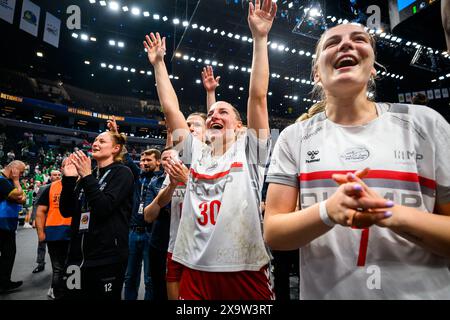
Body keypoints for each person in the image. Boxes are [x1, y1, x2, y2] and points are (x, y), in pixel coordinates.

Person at [264, 22, 450, 299]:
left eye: (359, 39)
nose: (346, 44)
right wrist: (328, 211)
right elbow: (274, 233)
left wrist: (389, 213)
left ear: (373, 67)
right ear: (316, 73)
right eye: (331, 43)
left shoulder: (427, 124)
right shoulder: (295, 137)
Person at [143, 0, 277, 299]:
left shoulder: (250, 151)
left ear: (240, 126)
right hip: (196, 267)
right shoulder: (196, 154)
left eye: (224, 112)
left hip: (245, 269)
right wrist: (159, 64)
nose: (214, 115)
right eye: (211, 112)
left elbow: (257, 97)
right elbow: (170, 109)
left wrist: (259, 38)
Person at [59, 130, 134, 300]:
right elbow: (67, 210)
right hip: (76, 259)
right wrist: (69, 180)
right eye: (95, 140)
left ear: (116, 148)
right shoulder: (89, 174)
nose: (95, 143)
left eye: (102, 141)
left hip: (106, 259)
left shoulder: (122, 173)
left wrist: (86, 176)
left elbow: (103, 208)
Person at [123, 147, 162, 300]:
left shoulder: (162, 179)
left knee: (149, 279)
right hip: (133, 231)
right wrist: (116, 132)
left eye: (148, 160)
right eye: (142, 160)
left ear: (158, 162)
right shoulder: (138, 177)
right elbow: (126, 158)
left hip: (151, 233)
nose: (144, 163)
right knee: (129, 277)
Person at [35, 167, 69, 300]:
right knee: (58, 268)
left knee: (74, 266)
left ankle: (71, 291)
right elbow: (40, 211)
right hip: (54, 232)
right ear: (63, 169)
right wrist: (40, 233)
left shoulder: (83, 185)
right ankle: (56, 292)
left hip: (75, 233)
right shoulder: (50, 187)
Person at [0, 160, 26, 293]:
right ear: (14, 169)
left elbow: (24, 198)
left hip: (8, 222)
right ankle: (4, 283)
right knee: (7, 253)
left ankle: (4, 282)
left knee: (8, 254)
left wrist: (17, 189)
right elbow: (17, 194)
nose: (20, 175)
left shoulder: (7, 181)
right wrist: (16, 181)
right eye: (20, 172)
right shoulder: (2, 180)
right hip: (2, 223)